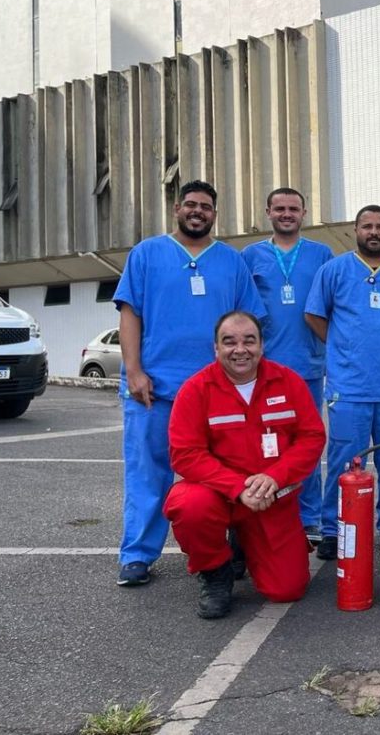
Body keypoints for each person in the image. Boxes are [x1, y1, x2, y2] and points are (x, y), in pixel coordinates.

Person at [114, 180, 265, 588]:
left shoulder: (231, 262)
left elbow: (246, 324)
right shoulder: (146, 254)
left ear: (215, 214)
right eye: (191, 204)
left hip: (218, 392)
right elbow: (130, 314)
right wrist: (133, 370)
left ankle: (229, 550)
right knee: (148, 472)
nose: (198, 211)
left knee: (228, 471)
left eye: (206, 207)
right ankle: (138, 555)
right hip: (155, 389)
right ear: (177, 208)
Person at [163, 311, 326, 618]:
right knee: (188, 504)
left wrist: (275, 477)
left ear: (262, 346)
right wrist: (238, 488)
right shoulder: (196, 390)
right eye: (229, 342)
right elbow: (185, 453)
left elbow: (311, 437)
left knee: (286, 590)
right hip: (220, 496)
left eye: (249, 340)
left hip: (271, 499)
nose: (240, 349)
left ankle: (243, 542)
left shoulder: (288, 382)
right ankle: (216, 572)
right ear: (216, 348)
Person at [305, 205, 380, 561]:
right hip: (349, 389)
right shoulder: (334, 270)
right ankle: (331, 528)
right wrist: (344, 347)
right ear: (355, 230)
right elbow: (314, 315)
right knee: (343, 463)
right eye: (367, 226)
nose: (374, 232)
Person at [241, 188, 334, 542]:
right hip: (263, 371)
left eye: (293, 208)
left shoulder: (321, 254)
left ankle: (308, 515)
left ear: (304, 213)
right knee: (265, 444)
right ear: (268, 212)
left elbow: (331, 306)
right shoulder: (250, 256)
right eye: (279, 208)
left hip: (308, 367)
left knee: (306, 444)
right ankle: (268, 510)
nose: (286, 214)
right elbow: (243, 310)